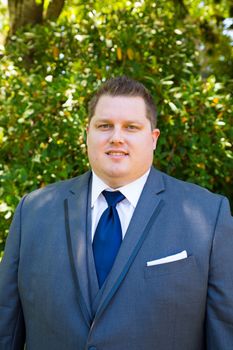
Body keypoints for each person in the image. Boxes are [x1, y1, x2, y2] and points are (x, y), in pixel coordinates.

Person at [0, 76, 233, 350]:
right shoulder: (33, 212)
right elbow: (6, 328)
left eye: (131, 127)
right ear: (88, 132)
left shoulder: (210, 215)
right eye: (104, 126)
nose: (116, 138)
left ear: (153, 138)